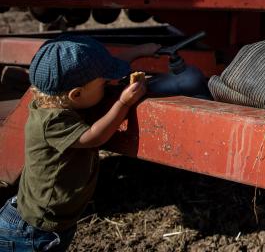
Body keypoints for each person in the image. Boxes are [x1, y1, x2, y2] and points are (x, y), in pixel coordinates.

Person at [0, 37, 157, 251]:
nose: (108, 83)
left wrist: (141, 49)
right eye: (104, 83)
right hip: (32, 232)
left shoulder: (55, 103)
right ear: (76, 94)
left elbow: (104, 66)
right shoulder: (52, 122)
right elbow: (94, 137)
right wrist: (123, 103)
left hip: (49, 223)